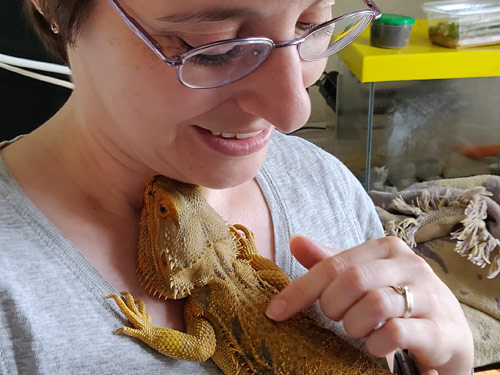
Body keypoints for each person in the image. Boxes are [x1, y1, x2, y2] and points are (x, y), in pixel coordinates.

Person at [0, 0, 473, 374]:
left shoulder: (324, 183)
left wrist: (450, 362)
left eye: (313, 22)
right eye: (213, 45)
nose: (294, 112)